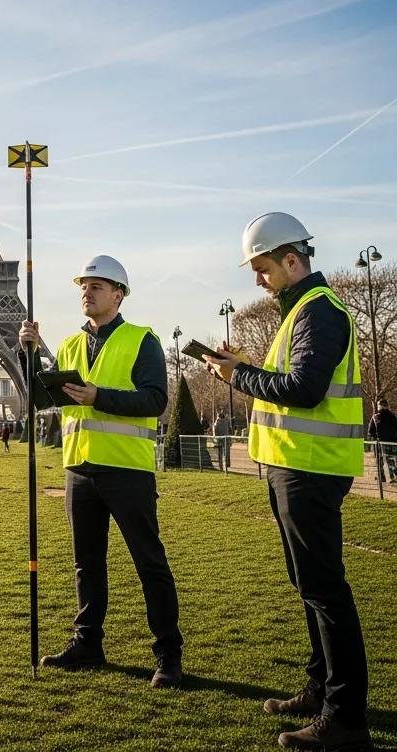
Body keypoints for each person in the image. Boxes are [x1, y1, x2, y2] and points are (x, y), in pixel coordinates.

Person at [205, 213, 372, 750]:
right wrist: (245, 366)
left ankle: (344, 719)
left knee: (325, 591)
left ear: (292, 260)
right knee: (311, 587)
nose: (258, 280)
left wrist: (237, 376)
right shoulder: (303, 310)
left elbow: (301, 389)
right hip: (296, 465)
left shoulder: (318, 311)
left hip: (311, 468)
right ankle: (323, 688)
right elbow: (295, 381)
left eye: (262, 268)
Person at [20, 254, 181, 689]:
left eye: (96, 286)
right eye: (83, 287)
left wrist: (98, 396)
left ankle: (168, 653)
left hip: (126, 469)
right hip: (80, 470)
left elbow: (154, 402)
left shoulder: (141, 340)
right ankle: (88, 642)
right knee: (85, 564)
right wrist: (30, 354)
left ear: (118, 294)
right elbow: (40, 399)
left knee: (150, 562)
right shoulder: (70, 345)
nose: (86, 293)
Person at [367, 396, 397, 484]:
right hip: (392, 442)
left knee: (379, 460)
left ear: (379, 406)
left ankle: (382, 477)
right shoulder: (393, 417)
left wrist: (374, 438)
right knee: (390, 459)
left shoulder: (375, 417)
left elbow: (370, 431)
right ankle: (391, 477)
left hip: (379, 442)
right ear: (387, 406)